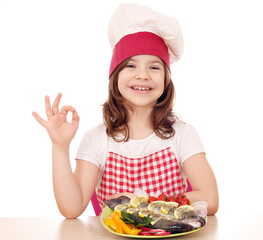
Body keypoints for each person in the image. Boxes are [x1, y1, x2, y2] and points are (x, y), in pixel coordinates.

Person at [32, 3, 219, 219]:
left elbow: (210, 198)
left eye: (154, 67)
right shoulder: (96, 140)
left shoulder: (183, 135)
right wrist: (60, 147)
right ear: (115, 77)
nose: (142, 75)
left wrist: (143, 202)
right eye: (130, 65)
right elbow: (71, 209)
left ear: (166, 81)